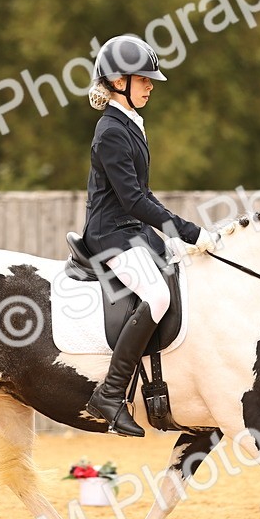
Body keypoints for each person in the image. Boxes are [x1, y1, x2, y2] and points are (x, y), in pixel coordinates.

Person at [81, 35, 216, 438]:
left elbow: (143, 195)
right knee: (158, 296)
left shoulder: (130, 124)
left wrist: (174, 238)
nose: (151, 84)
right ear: (119, 80)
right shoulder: (111, 132)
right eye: (143, 78)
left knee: (183, 271)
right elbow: (133, 198)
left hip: (133, 231)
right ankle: (110, 393)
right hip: (111, 235)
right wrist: (187, 230)